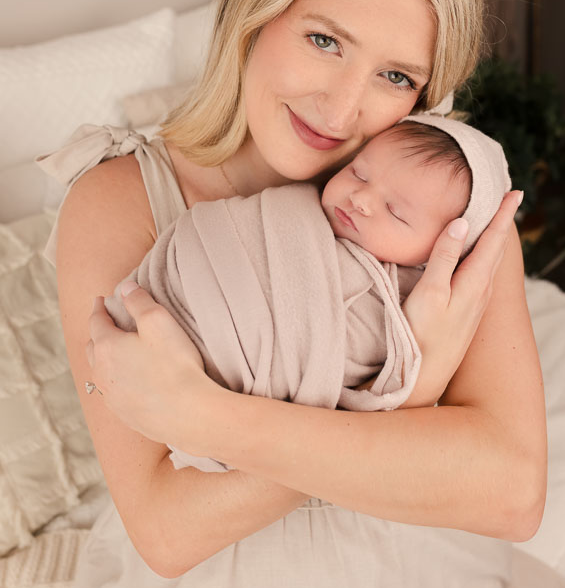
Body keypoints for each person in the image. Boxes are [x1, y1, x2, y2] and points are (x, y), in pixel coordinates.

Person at [43, 0, 547, 588]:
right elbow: (166, 533)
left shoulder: (448, 204)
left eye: (396, 76)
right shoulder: (120, 199)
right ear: (256, 9)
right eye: (324, 40)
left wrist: (206, 417)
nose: (342, 108)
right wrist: (408, 398)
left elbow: (512, 493)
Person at [102, 113, 512, 478]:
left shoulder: (401, 303)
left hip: (233, 377)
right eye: (359, 173)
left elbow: (367, 392)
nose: (362, 199)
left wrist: (422, 368)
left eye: (397, 212)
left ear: (444, 249)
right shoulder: (294, 208)